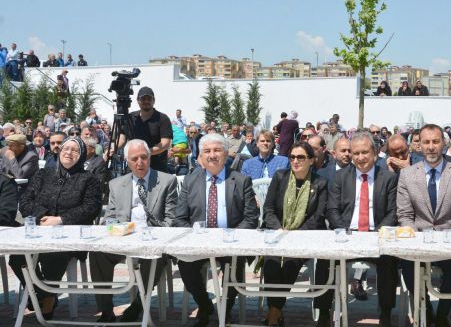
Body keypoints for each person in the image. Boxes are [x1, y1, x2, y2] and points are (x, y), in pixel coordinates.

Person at [10, 137, 101, 320]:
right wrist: (42, 217)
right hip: (39, 230)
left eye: (75, 150)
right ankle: (46, 295)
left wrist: (60, 219)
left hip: (70, 235)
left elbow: (91, 208)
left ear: (81, 155)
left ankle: (44, 297)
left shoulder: (88, 179)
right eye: (66, 148)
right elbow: (25, 200)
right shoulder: (43, 174)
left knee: (54, 255)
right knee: (17, 257)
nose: (68, 152)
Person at [174, 133, 259, 326]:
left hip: (231, 242)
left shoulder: (241, 180)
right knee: (185, 264)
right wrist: (194, 237)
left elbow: (250, 218)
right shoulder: (190, 181)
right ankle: (205, 306)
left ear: (227, 153)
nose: (212, 155)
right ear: (201, 156)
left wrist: (231, 237)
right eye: (207, 151)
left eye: (217, 150)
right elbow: (180, 218)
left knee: (234, 268)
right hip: (199, 242)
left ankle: (225, 310)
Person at [90, 139, 177, 323]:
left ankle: (137, 304)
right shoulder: (116, 184)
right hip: (124, 238)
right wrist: (115, 228)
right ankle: (106, 310)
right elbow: (110, 218)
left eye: (144, 157)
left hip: (153, 239)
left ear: (150, 158)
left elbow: (171, 219)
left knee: (154, 257)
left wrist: (154, 235)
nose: (140, 162)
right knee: (97, 253)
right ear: (127, 161)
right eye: (134, 158)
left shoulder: (167, 181)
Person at [396, 124, 451, 327]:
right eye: (426, 142)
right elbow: (404, 214)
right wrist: (412, 234)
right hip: (419, 241)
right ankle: (427, 312)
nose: (431, 147)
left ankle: (442, 315)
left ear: (444, 143)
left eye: (435, 142)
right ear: (418, 145)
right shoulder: (407, 175)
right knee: (408, 265)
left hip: (449, 242)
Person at [326, 131, 399, 326]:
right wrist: (346, 232)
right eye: (355, 153)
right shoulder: (340, 177)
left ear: (374, 153)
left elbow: (393, 212)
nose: (360, 158)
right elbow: (332, 210)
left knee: (389, 261)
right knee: (325, 260)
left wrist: (378, 234)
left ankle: (385, 312)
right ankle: (325, 311)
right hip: (348, 236)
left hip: (377, 236)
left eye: (364, 152)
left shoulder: (388, 178)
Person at [261, 141, 330, 327]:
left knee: (291, 262)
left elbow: (318, 216)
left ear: (311, 160)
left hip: (304, 237)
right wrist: (279, 229)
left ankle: (274, 311)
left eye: (301, 157)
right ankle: (275, 309)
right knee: (271, 262)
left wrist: (295, 234)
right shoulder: (280, 177)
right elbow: (268, 210)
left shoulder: (320, 182)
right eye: (292, 157)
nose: (296, 161)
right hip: (277, 234)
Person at [120, 87, 173, 172]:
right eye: (143, 99)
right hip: (134, 167)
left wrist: (145, 153)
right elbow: (122, 139)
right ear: (138, 101)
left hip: (157, 168)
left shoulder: (162, 118)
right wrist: (111, 149)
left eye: (149, 99)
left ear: (154, 100)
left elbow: (165, 143)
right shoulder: (130, 118)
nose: (146, 101)